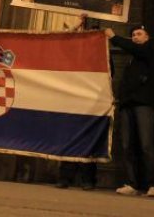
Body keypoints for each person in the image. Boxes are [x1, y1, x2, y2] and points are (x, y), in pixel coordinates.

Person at [104, 25, 154, 198]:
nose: (135, 37)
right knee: (127, 145)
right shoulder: (132, 60)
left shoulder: (150, 50)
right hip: (127, 105)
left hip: (143, 104)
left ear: (147, 37)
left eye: (139, 34)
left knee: (146, 144)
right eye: (133, 35)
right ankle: (132, 183)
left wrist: (114, 37)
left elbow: (136, 49)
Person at [56, 13, 98, 190]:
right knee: (69, 138)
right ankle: (65, 177)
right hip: (73, 101)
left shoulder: (102, 57)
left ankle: (88, 179)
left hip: (93, 102)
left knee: (90, 140)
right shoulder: (75, 53)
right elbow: (63, 41)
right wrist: (78, 24)